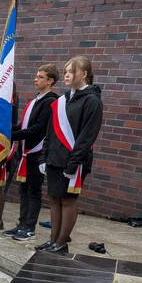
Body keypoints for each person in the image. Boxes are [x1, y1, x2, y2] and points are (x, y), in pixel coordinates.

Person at [38, 57, 103, 254]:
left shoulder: (92, 101)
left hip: (74, 160)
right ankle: (53, 240)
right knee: (54, 198)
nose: (66, 75)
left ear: (83, 74)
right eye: (65, 71)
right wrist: (43, 156)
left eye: (71, 71)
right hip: (55, 158)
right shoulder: (62, 100)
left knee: (68, 200)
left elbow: (87, 136)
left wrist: (73, 163)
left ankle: (62, 242)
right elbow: (50, 131)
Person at [4, 64, 60, 241]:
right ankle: (22, 224)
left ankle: (29, 228)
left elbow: (38, 129)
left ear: (50, 81)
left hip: (36, 153)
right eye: (36, 76)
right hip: (26, 154)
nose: (36, 79)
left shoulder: (50, 101)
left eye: (40, 77)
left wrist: (12, 135)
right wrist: (8, 129)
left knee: (33, 191)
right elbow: (25, 125)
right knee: (23, 190)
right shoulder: (36, 100)